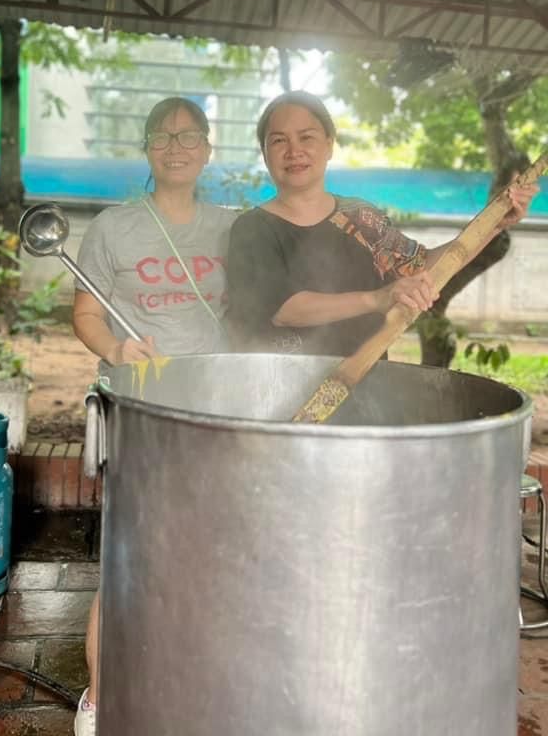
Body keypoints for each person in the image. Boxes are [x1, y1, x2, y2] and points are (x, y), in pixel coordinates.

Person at [71, 96, 236, 736]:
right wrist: (116, 349)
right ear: (146, 148)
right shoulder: (113, 228)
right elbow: (86, 315)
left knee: (210, 548)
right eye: (162, 137)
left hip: (215, 409)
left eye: (188, 136)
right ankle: (99, 697)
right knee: (131, 551)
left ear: (207, 149)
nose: (175, 147)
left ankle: (189, 675)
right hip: (141, 406)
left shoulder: (232, 228)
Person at [226, 90, 538, 356]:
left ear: (329, 144)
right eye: (278, 141)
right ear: (264, 154)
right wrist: (377, 298)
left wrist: (495, 224)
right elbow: (284, 310)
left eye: (306, 137)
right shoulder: (253, 229)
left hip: (371, 386)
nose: (294, 151)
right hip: (286, 387)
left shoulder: (361, 217)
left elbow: (420, 268)